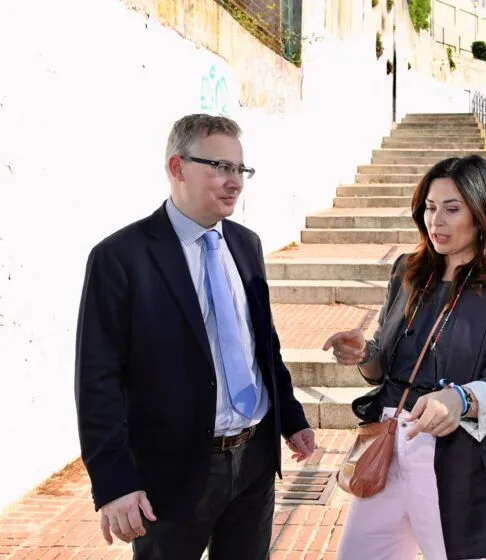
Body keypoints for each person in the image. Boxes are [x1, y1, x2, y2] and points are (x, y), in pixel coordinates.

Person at [74, 114, 315, 559]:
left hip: (254, 462)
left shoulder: (245, 243)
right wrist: (114, 482)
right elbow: (97, 380)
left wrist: (291, 416)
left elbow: (261, 341)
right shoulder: (120, 257)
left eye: (240, 170)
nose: (234, 182)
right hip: (172, 474)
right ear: (177, 167)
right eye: (220, 167)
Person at [323, 155, 486, 560]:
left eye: (452, 209)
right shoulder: (408, 270)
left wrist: (460, 399)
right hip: (387, 450)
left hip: (461, 459)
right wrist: (364, 354)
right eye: (429, 207)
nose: (435, 220)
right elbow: (384, 369)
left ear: (481, 213)